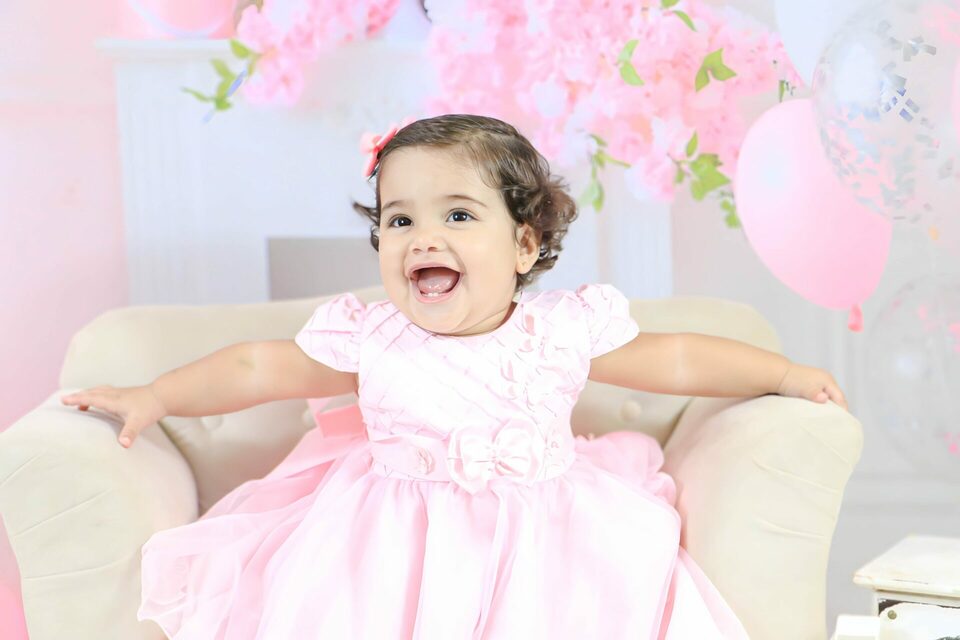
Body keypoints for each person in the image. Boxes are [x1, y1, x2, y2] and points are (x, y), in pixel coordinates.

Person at [61, 114, 847, 638]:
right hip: (387, 540)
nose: (422, 236)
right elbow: (256, 366)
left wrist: (780, 373)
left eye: (458, 215)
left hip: (548, 537)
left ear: (525, 246)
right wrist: (154, 396)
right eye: (400, 218)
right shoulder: (373, 336)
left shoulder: (558, 330)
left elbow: (673, 357)